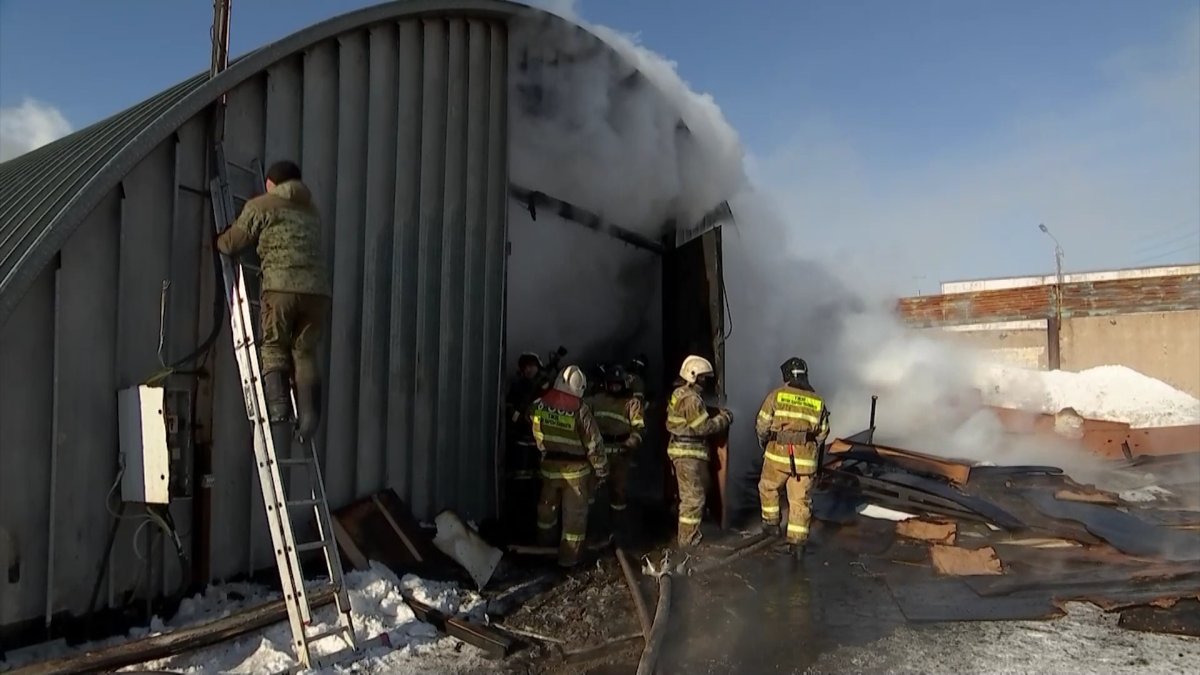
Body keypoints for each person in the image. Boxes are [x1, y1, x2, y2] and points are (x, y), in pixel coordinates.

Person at [216, 159, 330, 443]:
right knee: (304, 352)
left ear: (271, 182)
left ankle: (278, 408)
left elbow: (232, 244)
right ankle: (309, 418)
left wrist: (218, 239)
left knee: (274, 343)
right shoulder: (312, 211)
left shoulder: (262, 206)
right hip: (318, 294)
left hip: (281, 288)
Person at [530, 365, 608, 567]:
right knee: (574, 519)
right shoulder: (580, 410)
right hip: (576, 473)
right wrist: (601, 470)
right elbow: (594, 444)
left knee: (546, 513)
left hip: (549, 470)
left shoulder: (540, 404)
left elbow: (535, 430)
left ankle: (543, 551)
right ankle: (569, 559)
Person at [755, 357, 831, 556]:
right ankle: (797, 545)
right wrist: (809, 448)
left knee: (768, 488)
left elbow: (762, 425)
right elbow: (823, 432)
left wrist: (764, 442)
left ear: (787, 375)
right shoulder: (817, 401)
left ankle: (771, 526)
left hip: (777, 455)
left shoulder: (776, 396)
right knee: (800, 501)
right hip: (805, 462)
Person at [664, 354, 732, 547]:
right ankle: (688, 542)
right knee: (693, 499)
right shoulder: (691, 399)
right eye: (703, 378)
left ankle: (690, 537)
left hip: (686, 453)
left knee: (695, 495)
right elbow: (703, 428)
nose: (705, 382)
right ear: (693, 376)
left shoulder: (680, 394)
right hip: (688, 454)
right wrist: (724, 419)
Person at [586, 364, 646, 529]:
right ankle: (589, 525)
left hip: (620, 453)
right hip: (598, 453)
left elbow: (639, 427)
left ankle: (617, 527)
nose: (615, 387)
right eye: (612, 383)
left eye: (618, 383)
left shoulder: (632, 404)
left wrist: (633, 441)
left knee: (618, 491)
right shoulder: (595, 400)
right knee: (589, 490)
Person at [503, 352, 545, 543]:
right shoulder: (517, 387)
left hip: (539, 442)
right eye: (526, 366)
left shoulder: (546, 387)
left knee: (539, 484)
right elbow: (511, 411)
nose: (529, 369)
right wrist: (519, 417)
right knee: (520, 482)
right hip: (521, 441)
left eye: (532, 365)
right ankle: (519, 523)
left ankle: (536, 525)